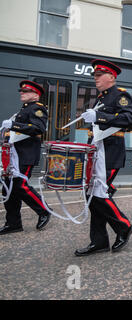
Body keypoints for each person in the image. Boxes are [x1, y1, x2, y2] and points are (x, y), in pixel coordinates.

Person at [75, 59, 132, 256]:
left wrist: (99, 117)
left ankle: (124, 226)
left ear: (111, 77)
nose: (95, 78)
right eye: (94, 75)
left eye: (99, 75)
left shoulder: (120, 95)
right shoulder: (100, 99)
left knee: (98, 193)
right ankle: (99, 241)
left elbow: (129, 118)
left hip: (110, 153)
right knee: (93, 195)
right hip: (97, 152)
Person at [0, 80, 51, 235]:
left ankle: (44, 210)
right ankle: (13, 223)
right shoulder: (24, 110)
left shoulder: (37, 108)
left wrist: (13, 125)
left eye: (25, 91)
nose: (22, 93)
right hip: (15, 155)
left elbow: (38, 129)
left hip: (26, 154)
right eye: (21, 91)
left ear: (35, 95)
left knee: (20, 185)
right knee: (8, 188)